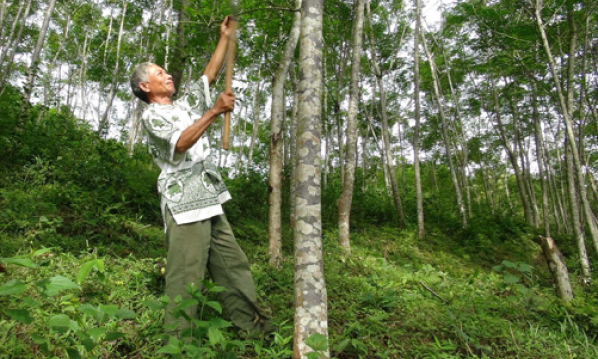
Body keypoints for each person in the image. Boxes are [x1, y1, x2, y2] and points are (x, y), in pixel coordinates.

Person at [129, 16, 269, 337]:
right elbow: (180, 143)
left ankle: (256, 332)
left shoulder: (183, 106)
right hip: (183, 201)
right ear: (145, 87)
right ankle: (178, 344)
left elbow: (210, 75)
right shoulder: (152, 117)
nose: (167, 75)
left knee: (233, 267)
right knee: (185, 276)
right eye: (158, 73)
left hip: (208, 196)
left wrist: (225, 37)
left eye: (166, 71)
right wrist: (214, 112)